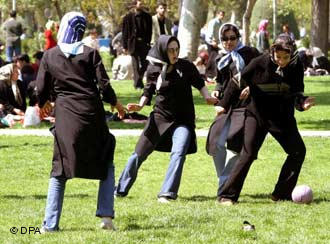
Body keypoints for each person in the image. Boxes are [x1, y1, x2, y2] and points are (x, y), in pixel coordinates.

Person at [36, 11, 125, 232]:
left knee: (60, 169)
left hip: (66, 116)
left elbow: (40, 88)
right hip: (92, 115)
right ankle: (106, 217)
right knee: (106, 161)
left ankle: (50, 224)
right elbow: (104, 86)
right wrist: (117, 105)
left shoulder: (50, 56)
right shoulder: (91, 54)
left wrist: (43, 102)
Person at [115, 35, 218, 203]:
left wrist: (207, 97)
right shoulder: (154, 69)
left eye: (177, 49)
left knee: (178, 153)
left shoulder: (186, 66)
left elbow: (200, 83)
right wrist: (140, 106)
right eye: (171, 50)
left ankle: (167, 193)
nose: (174, 53)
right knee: (137, 155)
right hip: (160, 117)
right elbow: (148, 91)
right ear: (163, 50)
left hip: (183, 120)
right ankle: (120, 189)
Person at [216, 34, 315, 205]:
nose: (282, 61)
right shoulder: (259, 63)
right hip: (257, 115)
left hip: (282, 117)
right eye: (278, 57)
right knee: (248, 154)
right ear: (272, 52)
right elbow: (236, 81)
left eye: (286, 57)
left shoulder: (296, 65)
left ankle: (281, 194)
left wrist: (302, 103)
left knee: (298, 151)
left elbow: (296, 92)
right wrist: (223, 105)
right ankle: (227, 196)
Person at [206, 23, 259, 195]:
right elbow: (221, 79)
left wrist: (251, 87)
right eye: (224, 39)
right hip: (226, 105)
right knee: (217, 142)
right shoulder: (221, 58)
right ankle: (224, 178)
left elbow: (262, 74)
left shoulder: (250, 53)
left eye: (232, 38)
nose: (228, 42)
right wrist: (217, 89)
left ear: (238, 37)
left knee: (237, 144)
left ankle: (225, 183)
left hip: (246, 106)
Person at [122, 0, 152, 89]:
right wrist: (125, 46)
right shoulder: (127, 17)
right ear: (135, 4)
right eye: (140, 3)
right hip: (132, 44)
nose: (142, 4)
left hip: (144, 43)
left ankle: (138, 80)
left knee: (145, 63)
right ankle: (138, 84)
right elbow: (125, 33)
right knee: (135, 65)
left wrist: (148, 42)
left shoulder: (147, 17)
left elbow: (150, 31)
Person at [205, 10, 225, 80]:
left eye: (223, 15)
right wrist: (213, 41)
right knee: (212, 57)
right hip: (210, 42)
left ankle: (211, 74)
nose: (222, 16)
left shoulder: (221, 23)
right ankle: (209, 74)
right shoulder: (213, 22)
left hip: (216, 42)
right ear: (217, 14)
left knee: (214, 57)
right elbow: (211, 32)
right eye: (221, 15)